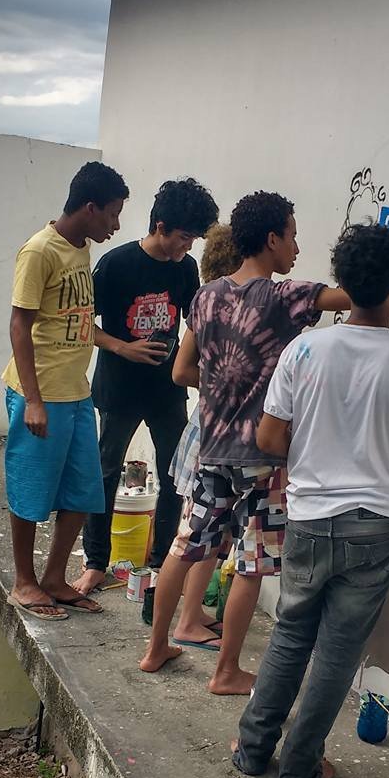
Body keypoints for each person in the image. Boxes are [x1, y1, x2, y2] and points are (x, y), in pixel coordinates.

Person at [231, 221, 389, 778]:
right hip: (375, 526)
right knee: (338, 650)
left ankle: (252, 751)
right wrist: (380, 461)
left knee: (291, 633)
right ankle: (301, 767)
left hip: (308, 516)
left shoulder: (304, 349)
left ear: (344, 283)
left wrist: (319, 452)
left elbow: (272, 440)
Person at [139, 191, 351, 693]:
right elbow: (352, 295)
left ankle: (154, 649)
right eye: (293, 236)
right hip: (262, 454)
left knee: (185, 546)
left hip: (211, 447)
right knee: (253, 562)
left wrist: (219, 386)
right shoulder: (283, 297)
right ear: (272, 239)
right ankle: (227, 670)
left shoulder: (206, 295)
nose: (297, 248)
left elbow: (183, 370)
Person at [73, 179, 219, 596]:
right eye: (183, 238)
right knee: (105, 470)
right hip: (119, 386)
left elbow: (194, 323)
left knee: (176, 474)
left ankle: (159, 564)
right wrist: (124, 347)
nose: (187, 248)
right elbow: (84, 323)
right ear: (160, 226)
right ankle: (95, 563)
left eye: (192, 239)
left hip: (167, 388)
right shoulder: (116, 264)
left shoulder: (185, 269)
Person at [3, 162, 129, 621]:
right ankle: (24, 582)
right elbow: (20, 324)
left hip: (76, 394)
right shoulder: (40, 251)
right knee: (31, 489)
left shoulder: (81, 250)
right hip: (41, 395)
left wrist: (118, 346)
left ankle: (54, 578)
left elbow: (75, 320)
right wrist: (33, 400)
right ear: (90, 207)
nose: (115, 225)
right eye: (112, 215)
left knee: (82, 490)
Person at [165, 223, 242, 645]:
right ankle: (188, 621)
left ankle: (189, 616)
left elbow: (182, 371)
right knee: (203, 536)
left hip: (205, 426)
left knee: (206, 532)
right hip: (217, 431)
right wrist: (231, 388)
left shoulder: (207, 301)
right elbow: (180, 371)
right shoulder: (222, 306)